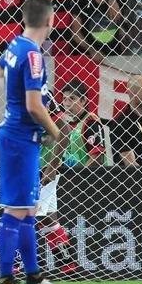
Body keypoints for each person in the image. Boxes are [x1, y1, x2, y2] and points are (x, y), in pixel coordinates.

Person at [0, 0, 62, 284]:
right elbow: (34, 106)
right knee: (16, 210)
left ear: (24, 18)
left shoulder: (15, 45)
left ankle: (33, 277)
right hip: (20, 138)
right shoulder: (33, 55)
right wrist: (55, 131)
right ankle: (6, 279)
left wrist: (12, 101)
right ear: (50, 21)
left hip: (20, 136)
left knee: (29, 210)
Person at [45, 80, 105, 273]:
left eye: (72, 99)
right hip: (60, 178)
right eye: (65, 99)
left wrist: (80, 175)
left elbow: (97, 155)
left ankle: (18, 265)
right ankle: (67, 265)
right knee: (45, 218)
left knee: (38, 217)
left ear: (84, 101)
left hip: (83, 181)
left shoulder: (91, 121)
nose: (67, 103)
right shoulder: (62, 122)